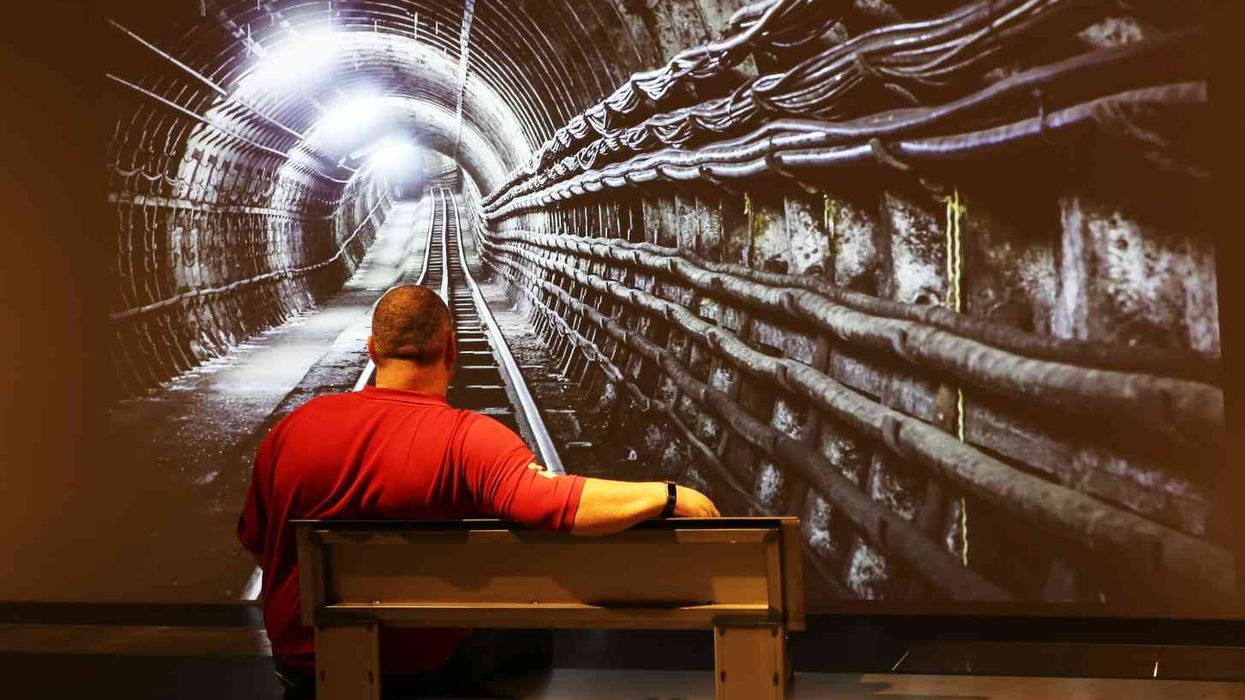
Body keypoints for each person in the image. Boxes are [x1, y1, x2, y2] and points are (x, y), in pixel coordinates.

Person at [237, 284, 720, 698]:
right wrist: (668, 495)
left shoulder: (293, 429)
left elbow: (258, 541)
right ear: (451, 350)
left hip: (302, 672)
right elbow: (555, 503)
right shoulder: (465, 437)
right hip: (416, 673)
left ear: (371, 351)